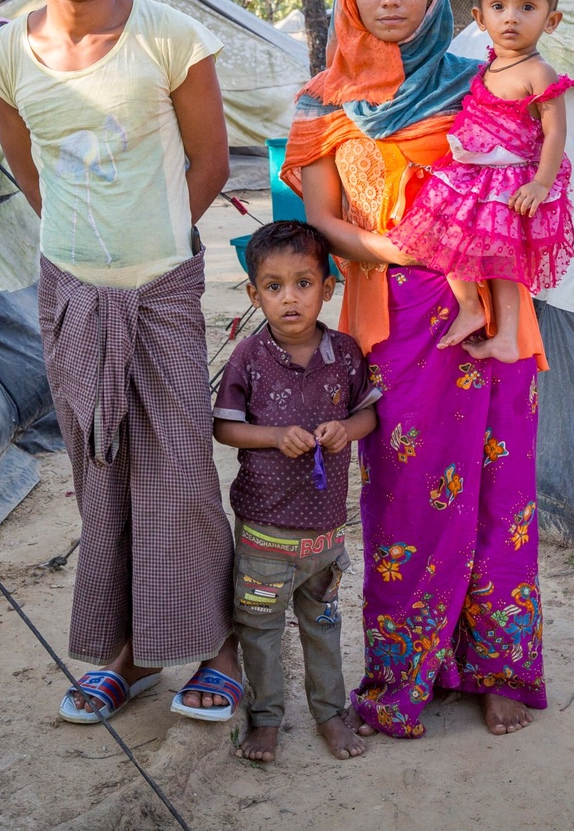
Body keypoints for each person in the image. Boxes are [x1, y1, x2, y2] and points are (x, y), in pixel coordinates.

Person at [0, 0, 242, 725]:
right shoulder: (4, 61)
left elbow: (209, 160)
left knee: (182, 472)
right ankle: (126, 655)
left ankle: (218, 646)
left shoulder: (169, 37)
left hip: (162, 289)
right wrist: (88, 258)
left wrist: (154, 242)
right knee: (102, 476)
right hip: (71, 294)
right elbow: (35, 178)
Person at [280, 0, 549, 739]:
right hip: (396, 316)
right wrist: (397, 246)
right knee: (406, 501)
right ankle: (407, 670)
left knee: (503, 493)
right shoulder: (320, 100)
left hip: (493, 313)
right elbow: (321, 217)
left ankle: (501, 666)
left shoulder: (479, 82)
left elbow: (526, 173)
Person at [211, 221, 380, 761]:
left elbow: (369, 416)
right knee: (258, 630)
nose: (290, 298)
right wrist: (275, 436)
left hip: (325, 540)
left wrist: (345, 430)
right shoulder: (249, 358)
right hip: (264, 536)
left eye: (304, 283)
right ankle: (265, 720)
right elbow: (225, 427)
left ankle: (330, 715)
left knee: (323, 627)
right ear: (253, 293)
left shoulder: (346, 355)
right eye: (274, 286)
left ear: (328, 288)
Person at [390, 0, 574, 363]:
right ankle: (472, 309)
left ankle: (507, 335)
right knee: (452, 244)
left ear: (551, 20)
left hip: (509, 185)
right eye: (498, 6)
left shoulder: (539, 73)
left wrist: (542, 183)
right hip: (470, 178)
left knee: (504, 266)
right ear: (479, 17)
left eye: (527, 7)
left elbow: (556, 132)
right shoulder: (487, 65)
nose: (511, 17)